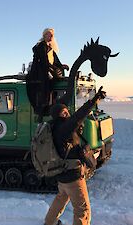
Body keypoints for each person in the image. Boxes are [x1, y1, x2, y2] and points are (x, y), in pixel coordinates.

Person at [44, 87, 106, 225]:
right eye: (64, 112)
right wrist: (94, 100)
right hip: (73, 176)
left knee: (61, 198)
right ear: (59, 115)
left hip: (63, 175)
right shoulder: (64, 128)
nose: (67, 114)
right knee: (82, 210)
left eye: (67, 111)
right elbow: (79, 116)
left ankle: (49, 222)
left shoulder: (54, 127)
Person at [26, 28, 69, 120]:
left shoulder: (50, 47)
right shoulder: (41, 46)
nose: (51, 37)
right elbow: (44, 61)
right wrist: (54, 68)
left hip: (49, 69)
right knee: (45, 87)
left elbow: (55, 60)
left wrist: (61, 66)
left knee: (56, 80)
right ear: (44, 36)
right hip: (40, 71)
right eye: (49, 35)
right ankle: (42, 110)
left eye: (52, 35)